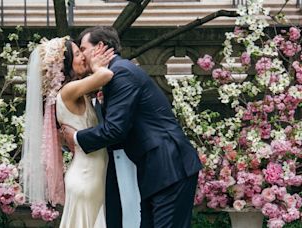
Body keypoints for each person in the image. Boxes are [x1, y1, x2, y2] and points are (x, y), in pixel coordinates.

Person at [61, 26, 203, 228]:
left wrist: (76, 138)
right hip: (155, 168)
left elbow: (115, 129)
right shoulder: (115, 74)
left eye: (83, 49)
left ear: (99, 47)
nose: (82, 57)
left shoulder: (122, 73)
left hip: (169, 166)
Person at [21, 36, 116, 228]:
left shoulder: (74, 92)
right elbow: (105, 76)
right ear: (65, 63)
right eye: (78, 53)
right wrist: (97, 66)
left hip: (89, 173)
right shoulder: (68, 91)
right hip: (87, 176)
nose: (84, 58)